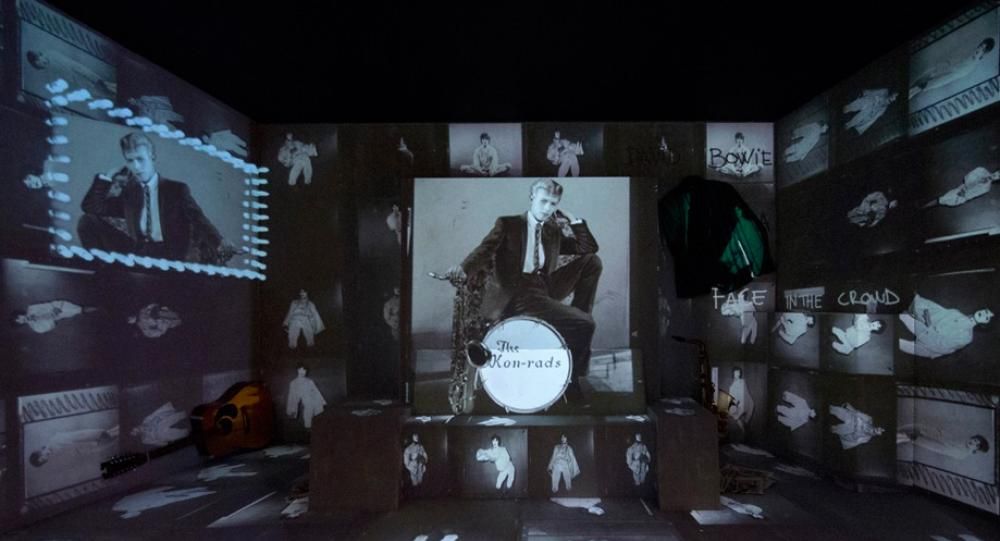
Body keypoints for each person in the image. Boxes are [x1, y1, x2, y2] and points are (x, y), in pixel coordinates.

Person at [447, 179, 602, 402]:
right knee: (586, 324)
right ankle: (571, 380)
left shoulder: (552, 230)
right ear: (532, 198)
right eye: (543, 201)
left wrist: (573, 219)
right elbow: (484, 250)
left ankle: (576, 323)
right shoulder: (508, 224)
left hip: (543, 286)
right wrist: (463, 269)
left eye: (553, 203)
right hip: (518, 293)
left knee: (592, 262)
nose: (547, 208)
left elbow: (587, 247)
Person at [77, 132, 232, 264]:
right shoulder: (130, 194)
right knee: (87, 220)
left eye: (140, 159)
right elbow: (92, 207)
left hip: (169, 254)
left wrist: (219, 243)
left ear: (152, 156)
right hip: (138, 252)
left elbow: (199, 219)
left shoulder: (176, 190)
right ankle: (105, 272)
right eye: (130, 160)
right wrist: (107, 176)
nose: (136, 166)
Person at [898, 294, 993, 358]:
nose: (984, 314)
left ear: (985, 324)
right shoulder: (958, 314)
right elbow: (936, 311)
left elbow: (941, 346)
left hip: (929, 347)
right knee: (903, 315)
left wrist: (928, 325)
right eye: (986, 311)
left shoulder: (967, 337)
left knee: (898, 344)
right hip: (925, 327)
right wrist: (917, 300)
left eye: (987, 317)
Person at [909, 38, 996, 101]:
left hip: (941, 75)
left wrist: (936, 74)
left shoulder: (971, 65)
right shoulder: (970, 50)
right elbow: (952, 60)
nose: (979, 49)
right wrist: (940, 67)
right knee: (919, 80)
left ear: (984, 53)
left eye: (982, 49)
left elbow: (952, 75)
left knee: (919, 87)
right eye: (980, 45)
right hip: (939, 68)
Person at [24, 49, 117, 100]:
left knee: (107, 87)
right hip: (84, 87)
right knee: (107, 94)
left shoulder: (53, 55)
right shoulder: (49, 75)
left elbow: (74, 66)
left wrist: (93, 78)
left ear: (41, 55)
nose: (41, 61)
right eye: (38, 62)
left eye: (39, 58)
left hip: (86, 78)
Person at [29, 426, 119, 467]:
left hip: (89, 440)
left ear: (39, 452)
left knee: (112, 435)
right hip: (89, 444)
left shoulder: (54, 442)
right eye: (43, 461)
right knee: (112, 434)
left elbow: (77, 438)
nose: (45, 459)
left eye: (42, 458)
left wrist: (93, 441)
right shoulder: (53, 451)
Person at [897, 424, 990, 460]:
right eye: (974, 440)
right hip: (933, 436)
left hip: (933, 443)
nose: (972, 443)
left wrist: (924, 435)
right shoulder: (963, 442)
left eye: (976, 445)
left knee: (909, 436)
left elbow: (941, 446)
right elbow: (944, 435)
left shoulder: (962, 453)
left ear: (975, 450)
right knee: (910, 430)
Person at [924, 167, 1000, 208]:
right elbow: (967, 177)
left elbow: (972, 195)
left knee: (942, 200)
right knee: (941, 199)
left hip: (961, 198)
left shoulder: (986, 188)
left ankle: (923, 207)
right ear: (997, 170)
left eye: (999, 176)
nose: (996, 175)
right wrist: (978, 179)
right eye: (998, 172)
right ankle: (923, 206)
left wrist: (964, 195)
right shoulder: (982, 170)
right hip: (959, 189)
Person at [12, 300, 97, 334]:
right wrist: (38, 318)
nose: (21, 320)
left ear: (20, 314)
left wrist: (54, 309)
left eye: (18, 317)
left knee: (80, 309)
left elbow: (46, 305)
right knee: (79, 310)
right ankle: (97, 308)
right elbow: (52, 325)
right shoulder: (36, 327)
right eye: (19, 322)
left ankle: (98, 308)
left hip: (58, 305)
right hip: (60, 315)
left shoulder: (31, 308)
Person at [286, 364, 326, 429]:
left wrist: (321, 401)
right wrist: (292, 409)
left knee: (312, 415)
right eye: (301, 370)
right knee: (306, 418)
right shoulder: (294, 383)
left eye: (304, 370)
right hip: (304, 402)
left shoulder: (309, 381)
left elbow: (316, 392)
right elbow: (292, 397)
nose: (303, 372)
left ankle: (309, 427)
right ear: (298, 370)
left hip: (312, 402)